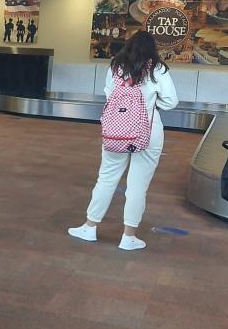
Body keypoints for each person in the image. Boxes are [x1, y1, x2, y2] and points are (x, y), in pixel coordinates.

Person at [68, 31, 178, 250]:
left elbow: (109, 96)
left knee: (107, 177)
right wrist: (153, 104)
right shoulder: (158, 69)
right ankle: (128, 237)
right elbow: (171, 101)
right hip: (148, 131)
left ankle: (90, 227)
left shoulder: (116, 66)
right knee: (138, 185)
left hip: (116, 130)